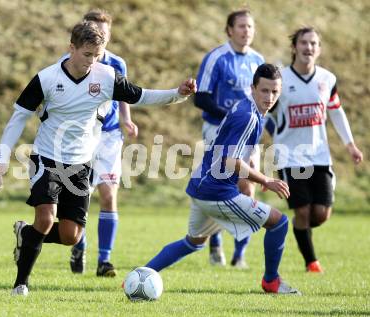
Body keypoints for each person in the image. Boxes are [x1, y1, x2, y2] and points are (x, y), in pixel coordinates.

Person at [0, 21, 197, 296]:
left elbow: (141, 96)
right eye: (87, 54)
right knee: (45, 217)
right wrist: (2, 156)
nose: (92, 61)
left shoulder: (106, 76)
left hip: (80, 163)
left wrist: (177, 94)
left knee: (70, 236)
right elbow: (18, 116)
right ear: (71, 48)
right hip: (47, 158)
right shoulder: (48, 78)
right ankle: (21, 284)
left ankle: (26, 235)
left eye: (97, 55)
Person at [144, 64, 301, 295]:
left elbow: (234, 149)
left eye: (275, 92)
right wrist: (265, 180)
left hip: (202, 186)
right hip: (216, 191)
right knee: (279, 222)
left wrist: (253, 166)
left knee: (194, 242)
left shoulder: (247, 107)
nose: (270, 97)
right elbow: (230, 161)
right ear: (253, 88)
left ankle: (142, 273)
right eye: (264, 91)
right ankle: (272, 282)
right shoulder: (247, 116)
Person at [265, 27, 363, 273]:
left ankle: (302, 228)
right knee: (302, 210)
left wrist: (350, 145)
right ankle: (312, 262)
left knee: (320, 214)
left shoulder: (327, 79)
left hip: (320, 155)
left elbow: (336, 111)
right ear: (294, 48)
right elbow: (264, 109)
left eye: (313, 43)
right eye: (304, 43)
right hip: (289, 156)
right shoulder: (281, 80)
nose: (308, 48)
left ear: (319, 49)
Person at [64, 9, 138, 278]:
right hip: (80, 138)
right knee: (80, 198)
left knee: (108, 195)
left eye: (105, 34)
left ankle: (104, 261)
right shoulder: (70, 62)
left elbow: (124, 95)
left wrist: (125, 120)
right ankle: (78, 245)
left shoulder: (117, 63)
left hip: (108, 138)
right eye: (95, 32)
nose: (100, 38)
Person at [194, 9, 264, 268]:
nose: (247, 31)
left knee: (248, 185)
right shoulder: (217, 57)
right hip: (218, 131)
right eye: (242, 26)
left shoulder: (259, 60)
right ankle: (215, 243)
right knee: (221, 187)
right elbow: (200, 97)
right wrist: (231, 116)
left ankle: (240, 253)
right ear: (229, 30)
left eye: (250, 26)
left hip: (249, 135)